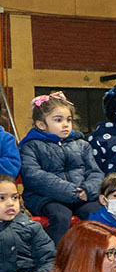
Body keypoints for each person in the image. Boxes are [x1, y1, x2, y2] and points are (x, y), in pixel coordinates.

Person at [20, 91, 103, 242]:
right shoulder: (31, 146)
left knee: (96, 213)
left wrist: (87, 190)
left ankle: (95, 254)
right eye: (58, 120)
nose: (65, 124)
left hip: (80, 195)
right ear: (41, 124)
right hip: (46, 197)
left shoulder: (82, 145)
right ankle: (55, 258)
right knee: (60, 216)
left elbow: (95, 173)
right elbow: (34, 176)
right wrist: (70, 192)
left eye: (68, 120)